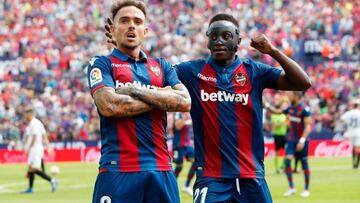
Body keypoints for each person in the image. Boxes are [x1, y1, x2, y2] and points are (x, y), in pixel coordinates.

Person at [106, 12, 311, 203]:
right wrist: (124, 49)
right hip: (211, 179)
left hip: (252, 176)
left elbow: (303, 83)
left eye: (226, 36)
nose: (219, 41)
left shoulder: (254, 71)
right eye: (213, 36)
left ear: (238, 41)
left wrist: (273, 51)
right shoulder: (190, 71)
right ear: (207, 40)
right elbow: (152, 73)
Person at [87, 1, 191, 203]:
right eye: (124, 21)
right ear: (112, 29)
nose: (131, 26)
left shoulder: (162, 66)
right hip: (118, 169)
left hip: (161, 169)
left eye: (137, 21)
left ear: (146, 30)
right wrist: (162, 96)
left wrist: (134, 90)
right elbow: (110, 106)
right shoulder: (101, 63)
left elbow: (185, 102)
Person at [267, 91, 312, 197]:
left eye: (291, 95)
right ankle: (291, 188)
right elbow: (277, 112)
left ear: (296, 96)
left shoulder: (304, 109)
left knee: (304, 163)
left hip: (302, 141)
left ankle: (306, 189)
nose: (289, 96)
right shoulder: (290, 108)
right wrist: (267, 104)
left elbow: (308, 127)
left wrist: (302, 140)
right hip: (291, 140)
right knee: (287, 162)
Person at [21, 107, 58, 193]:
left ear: (29, 114)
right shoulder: (36, 123)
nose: (25, 116)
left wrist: (29, 148)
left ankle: (52, 180)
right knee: (30, 168)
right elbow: (44, 135)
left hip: (35, 149)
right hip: (35, 148)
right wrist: (48, 147)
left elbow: (34, 137)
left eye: (26, 114)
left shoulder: (34, 124)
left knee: (33, 169)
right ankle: (30, 188)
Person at [172, 112, 196, 196]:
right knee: (179, 166)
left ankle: (186, 186)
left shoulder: (189, 113)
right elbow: (177, 127)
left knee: (196, 162)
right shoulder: (178, 113)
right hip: (178, 144)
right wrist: (185, 117)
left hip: (187, 144)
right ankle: (172, 185)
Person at [269, 94, 287, 174]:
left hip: (284, 135)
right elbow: (273, 126)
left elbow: (288, 124)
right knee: (277, 152)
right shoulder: (273, 115)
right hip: (277, 135)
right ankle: (277, 168)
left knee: (287, 151)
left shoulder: (284, 114)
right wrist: (281, 123)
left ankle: (283, 166)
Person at [340, 99, 360, 169]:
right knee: (358, 148)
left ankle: (353, 164)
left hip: (351, 132)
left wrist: (347, 122)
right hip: (358, 132)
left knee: (354, 147)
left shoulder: (349, 113)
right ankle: (357, 164)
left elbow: (341, 119)